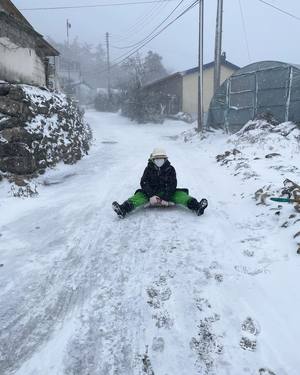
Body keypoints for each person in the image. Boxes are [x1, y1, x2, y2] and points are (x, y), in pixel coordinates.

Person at [112, 147, 208, 218]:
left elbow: (172, 184)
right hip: (151, 193)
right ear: (153, 159)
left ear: (165, 159)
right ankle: (123, 209)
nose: (159, 160)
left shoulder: (171, 169)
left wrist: (165, 198)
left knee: (181, 196)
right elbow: (144, 182)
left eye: (161, 158)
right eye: (157, 158)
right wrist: (151, 195)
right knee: (138, 197)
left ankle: (197, 207)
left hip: (167, 193)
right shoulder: (148, 169)